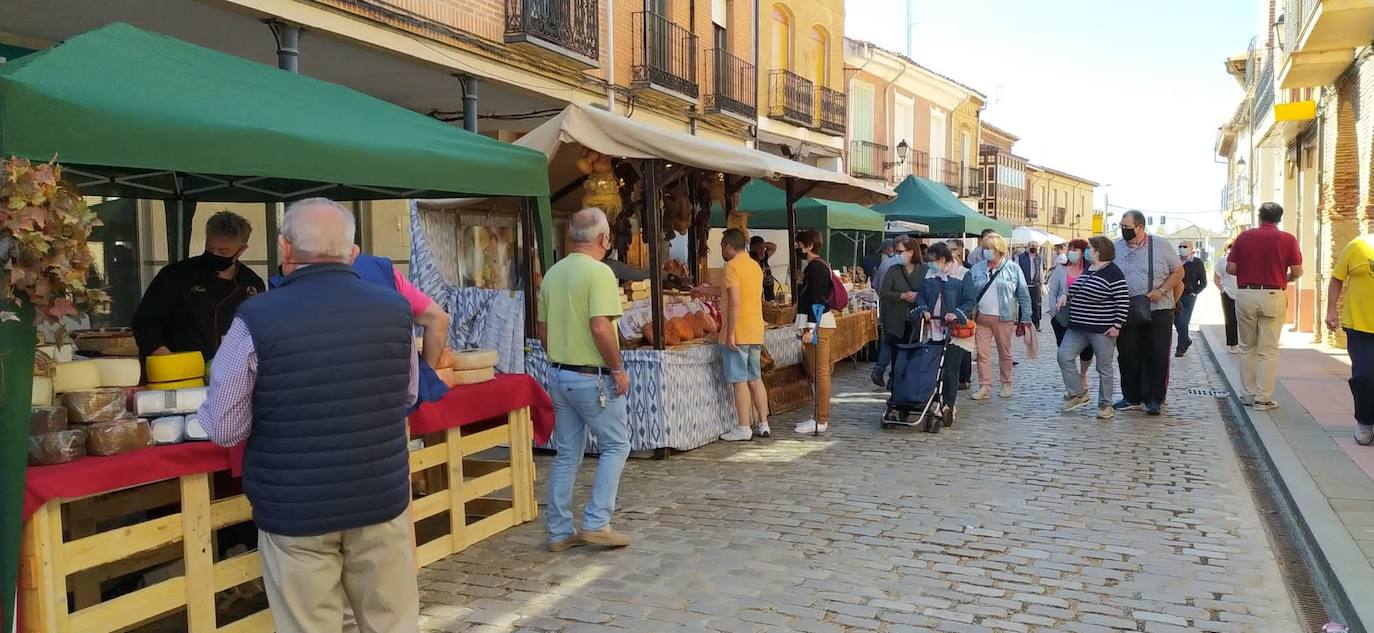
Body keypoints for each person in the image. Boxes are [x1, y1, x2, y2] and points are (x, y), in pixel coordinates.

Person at [200, 198, 419, 633]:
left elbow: (224, 427)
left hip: (295, 506)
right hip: (379, 495)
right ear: (353, 253)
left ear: (284, 248)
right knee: (392, 622)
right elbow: (406, 394)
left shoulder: (256, 317)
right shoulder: (396, 310)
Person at [537, 208, 632, 551]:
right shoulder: (599, 273)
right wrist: (618, 369)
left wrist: (560, 354)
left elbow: (543, 329)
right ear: (603, 238)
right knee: (617, 445)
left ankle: (559, 530)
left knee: (567, 454)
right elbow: (600, 326)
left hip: (559, 373)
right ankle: (597, 521)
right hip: (592, 377)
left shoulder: (552, 273)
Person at [133, 210, 265, 360]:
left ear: (241, 250)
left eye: (223, 252)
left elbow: (259, 331)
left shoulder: (252, 283)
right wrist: (161, 352)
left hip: (233, 367)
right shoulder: (175, 275)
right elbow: (145, 321)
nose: (215, 254)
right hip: (178, 365)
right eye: (210, 248)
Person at [1228, 202, 1302, 411]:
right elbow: (1297, 271)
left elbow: (1231, 268)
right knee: (1268, 350)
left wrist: (1248, 270)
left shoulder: (1244, 237)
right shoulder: (1288, 239)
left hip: (1246, 293)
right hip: (1273, 294)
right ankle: (1263, 399)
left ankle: (1247, 394)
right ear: (1279, 219)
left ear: (1259, 217)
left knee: (1247, 347)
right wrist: (1284, 277)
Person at [1112, 210, 1184, 416]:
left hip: (1159, 309)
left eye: (1127, 227)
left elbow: (1179, 272)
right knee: (1127, 354)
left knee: (1156, 354)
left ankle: (1154, 399)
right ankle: (1131, 397)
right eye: (1121, 226)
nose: (1123, 230)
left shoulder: (1161, 245)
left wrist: (1162, 290)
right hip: (1127, 309)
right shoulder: (1116, 247)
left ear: (1140, 227)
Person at [707, 229, 771, 441]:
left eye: (722, 247)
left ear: (728, 246)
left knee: (739, 381)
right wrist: (702, 290)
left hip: (739, 331)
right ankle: (763, 423)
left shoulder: (731, 267)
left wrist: (730, 332)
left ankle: (743, 427)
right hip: (755, 329)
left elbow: (734, 301)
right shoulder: (754, 266)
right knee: (755, 378)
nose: (722, 251)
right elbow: (727, 291)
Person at [1058, 236, 1131, 419]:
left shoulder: (1113, 272)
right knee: (1064, 356)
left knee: (1104, 367)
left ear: (1099, 251)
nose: (1086, 251)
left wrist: (1117, 325)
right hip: (1078, 326)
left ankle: (1105, 405)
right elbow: (1078, 289)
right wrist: (1066, 295)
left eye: (1089, 247)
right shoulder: (1089, 268)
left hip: (1102, 329)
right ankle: (1078, 394)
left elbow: (1123, 300)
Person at [914, 242, 977, 425]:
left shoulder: (963, 274)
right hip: (933, 328)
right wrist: (923, 309)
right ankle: (930, 399)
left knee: (950, 368)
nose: (930, 264)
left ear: (942, 259)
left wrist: (956, 313)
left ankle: (949, 404)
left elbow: (970, 301)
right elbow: (921, 295)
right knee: (931, 367)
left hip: (955, 331)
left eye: (933, 261)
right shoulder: (930, 274)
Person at [967, 233, 1033, 400]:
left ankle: (1006, 383)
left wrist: (1026, 317)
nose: (987, 251)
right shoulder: (977, 269)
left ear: (999, 250)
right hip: (981, 317)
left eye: (990, 248)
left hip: (1004, 318)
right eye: (985, 248)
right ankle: (985, 386)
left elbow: (1023, 295)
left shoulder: (1013, 268)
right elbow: (970, 292)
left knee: (1004, 352)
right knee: (982, 353)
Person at [1326, 234, 1374, 445]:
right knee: (1364, 376)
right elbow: (1337, 279)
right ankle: (1365, 421)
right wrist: (1331, 310)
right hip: (1359, 325)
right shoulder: (1356, 246)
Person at [795, 229, 834, 435]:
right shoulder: (814, 267)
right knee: (817, 371)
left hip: (819, 324)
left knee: (820, 372)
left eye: (800, 245)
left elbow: (817, 299)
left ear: (809, 246)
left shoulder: (816, 267)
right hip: (817, 323)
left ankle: (821, 419)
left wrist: (810, 328)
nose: (797, 249)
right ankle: (818, 416)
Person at [1047, 239, 1094, 394]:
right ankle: (1073, 383)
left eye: (1076, 249)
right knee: (1065, 352)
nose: (1071, 252)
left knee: (1086, 350)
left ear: (1084, 252)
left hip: (1084, 316)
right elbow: (1052, 292)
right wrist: (1053, 313)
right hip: (1062, 317)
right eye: (1070, 249)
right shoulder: (1060, 269)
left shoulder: (1090, 270)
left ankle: (1083, 374)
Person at [874, 238, 922, 387]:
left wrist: (917, 295)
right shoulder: (893, 269)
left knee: (913, 353)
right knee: (896, 352)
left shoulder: (924, 269)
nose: (897, 255)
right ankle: (895, 383)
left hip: (916, 319)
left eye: (900, 252)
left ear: (911, 252)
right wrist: (901, 295)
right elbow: (884, 292)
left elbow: (930, 291)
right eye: (896, 251)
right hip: (896, 319)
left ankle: (907, 384)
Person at [1173, 241, 1208, 357]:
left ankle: (1181, 347)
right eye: (1180, 246)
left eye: (1185, 246)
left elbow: (1203, 281)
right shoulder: (1175, 261)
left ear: (1191, 248)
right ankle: (1186, 340)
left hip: (1189, 296)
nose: (1182, 248)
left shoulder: (1197, 262)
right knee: (1177, 320)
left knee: (1183, 321)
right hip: (1175, 295)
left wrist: (1195, 291)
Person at [948, 240, 973, 390]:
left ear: (959, 250)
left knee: (964, 347)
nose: (948, 251)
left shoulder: (967, 269)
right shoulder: (941, 268)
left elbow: (970, 294)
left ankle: (965, 378)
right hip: (947, 316)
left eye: (952, 249)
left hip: (962, 314)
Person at [1214, 241, 1240, 353]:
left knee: (1245, 319)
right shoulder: (1222, 261)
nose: (1232, 248)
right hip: (1228, 292)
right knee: (1230, 318)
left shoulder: (1245, 259)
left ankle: (1245, 343)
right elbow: (1216, 277)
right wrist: (1222, 289)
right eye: (1230, 246)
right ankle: (1233, 344)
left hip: (1243, 292)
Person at [1016, 240, 1046, 330]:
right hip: (1023, 284)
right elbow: (1016, 270)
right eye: (1032, 245)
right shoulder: (1020, 257)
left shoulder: (1039, 258)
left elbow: (1041, 271)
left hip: (1035, 284)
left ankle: (1036, 324)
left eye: (1036, 246)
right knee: (1023, 305)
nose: (1034, 247)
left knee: (1035, 305)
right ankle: (1022, 324)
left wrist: (1042, 283)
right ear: (1028, 247)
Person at [749, 236, 779, 302]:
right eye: (759, 248)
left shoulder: (764, 257)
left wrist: (763, 244)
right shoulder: (749, 260)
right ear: (752, 249)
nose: (762, 251)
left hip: (769, 295)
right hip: (758, 298)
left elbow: (774, 247)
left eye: (763, 248)